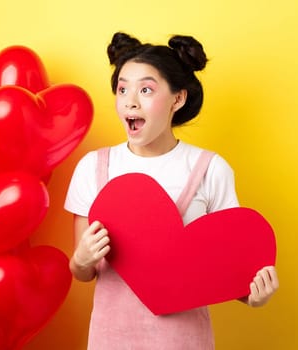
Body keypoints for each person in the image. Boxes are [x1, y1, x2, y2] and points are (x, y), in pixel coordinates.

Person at [64, 32, 279, 349]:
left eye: (146, 89)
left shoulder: (210, 169)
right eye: (122, 89)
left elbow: (231, 272)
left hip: (183, 341)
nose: (130, 100)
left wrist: (254, 296)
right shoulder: (93, 168)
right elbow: (83, 271)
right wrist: (81, 259)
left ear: (177, 99)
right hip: (111, 340)